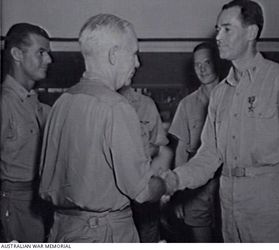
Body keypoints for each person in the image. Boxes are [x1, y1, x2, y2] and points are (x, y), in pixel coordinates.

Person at [161, 0, 279, 243]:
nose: (218, 37)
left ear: (251, 32)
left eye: (227, 29)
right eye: (217, 29)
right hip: (230, 211)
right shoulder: (220, 94)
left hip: (273, 213)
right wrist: (174, 179)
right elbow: (209, 156)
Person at [38, 14, 170, 243]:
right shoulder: (116, 107)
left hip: (61, 230)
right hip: (104, 232)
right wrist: (166, 182)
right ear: (114, 55)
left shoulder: (62, 103)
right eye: (134, 53)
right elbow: (142, 192)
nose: (137, 63)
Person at [0, 23, 52, 242]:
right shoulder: (4, 104)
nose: (49, 59)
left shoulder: (35, 105)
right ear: (17, 54)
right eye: (41, 52)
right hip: (12, 204)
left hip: (36, 201)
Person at [168, 43, 222, 242]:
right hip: (197, 184)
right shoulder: (187, 104)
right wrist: (179, 194)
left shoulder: (234, 96)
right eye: (197, 64)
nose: (202, 69)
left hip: (228, 178)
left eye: (207, 62)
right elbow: (181, 150)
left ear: (217, 63)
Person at [119, 86, 171, 242]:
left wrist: (142, 152)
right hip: (113, 194)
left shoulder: (145, 104)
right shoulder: (100, 102)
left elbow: (158, 145)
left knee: (148, 234)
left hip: (143, 188)